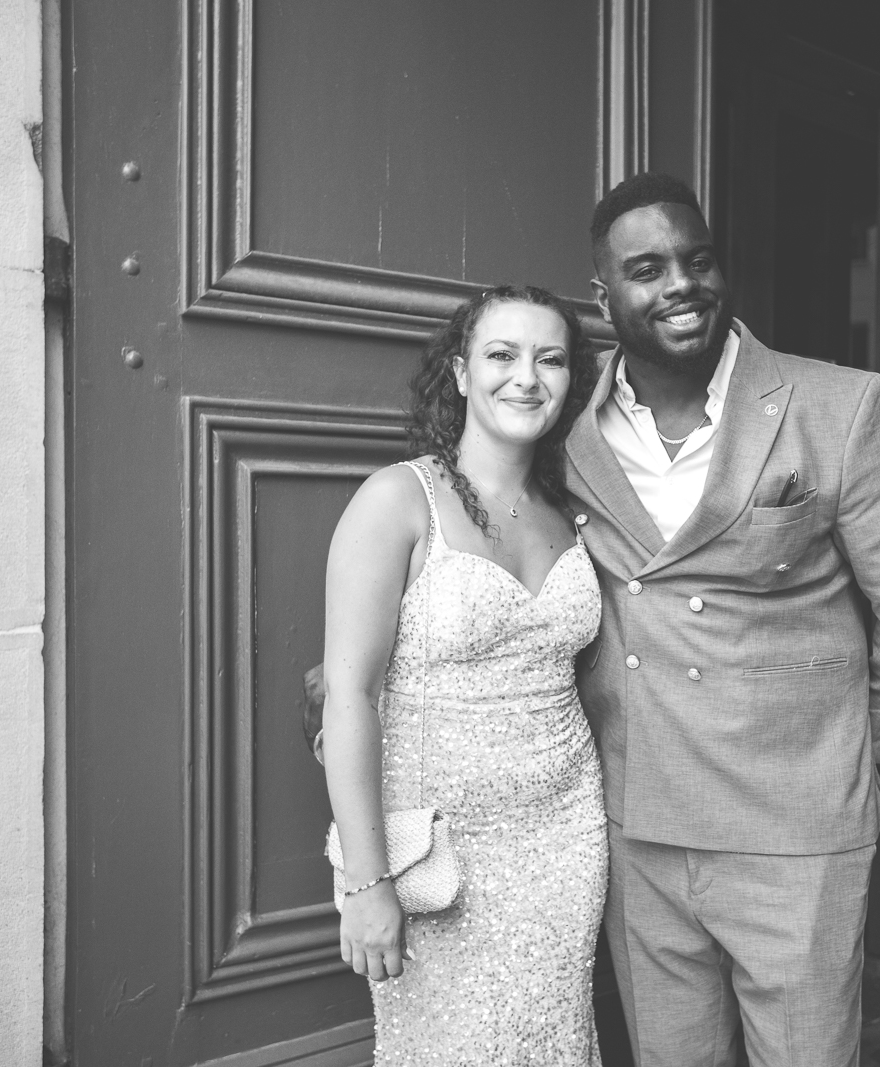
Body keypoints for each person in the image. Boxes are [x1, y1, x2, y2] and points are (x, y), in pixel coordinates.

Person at [564, 173, 880, 1066]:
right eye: (647, 269)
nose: (681, 283)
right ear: (604, 296)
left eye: (698, 260)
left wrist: (864, 747)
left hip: (795, 822)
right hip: (641, 819)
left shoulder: (835, 405)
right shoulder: (568, 425)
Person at [318, 285, 607, 1065]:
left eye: (551, 359)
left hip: (567, 836)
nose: (527, 377)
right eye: (502, 354)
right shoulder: (397, 499)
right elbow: (348, 695)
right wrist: (367, 881)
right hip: (439, 848)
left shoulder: (575, 509)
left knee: (554, 1040)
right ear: (460, 371)